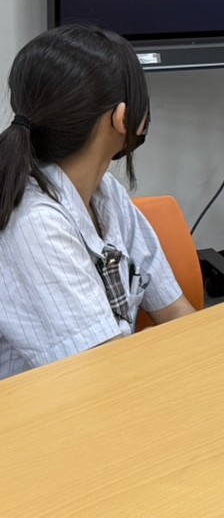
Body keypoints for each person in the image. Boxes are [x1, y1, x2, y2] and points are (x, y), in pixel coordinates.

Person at [0, 25, 195, 379]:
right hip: (54, 406)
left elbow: (175, 311)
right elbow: (105, 374)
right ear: (122, 118)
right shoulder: (36, 225)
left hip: (106, 390)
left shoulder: (105, 192)